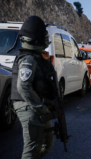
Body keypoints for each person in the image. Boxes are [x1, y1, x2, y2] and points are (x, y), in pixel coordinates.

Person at [11, 16, 55, 158]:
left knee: (47, 144)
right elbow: (23, 87)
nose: (46, 38)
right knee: (31, 150)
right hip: (29, 106)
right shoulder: (28, 58)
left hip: (37, 105)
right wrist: (41, 107)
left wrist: (46, 63)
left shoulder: (37, 56)